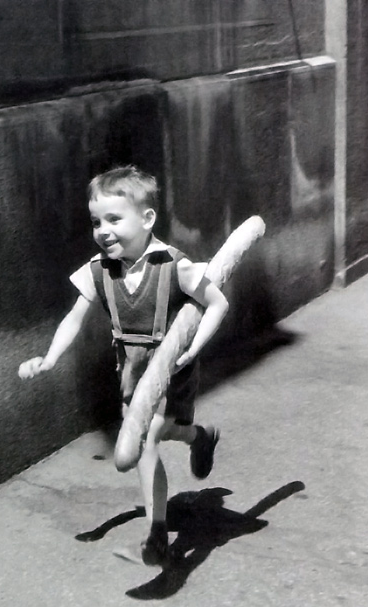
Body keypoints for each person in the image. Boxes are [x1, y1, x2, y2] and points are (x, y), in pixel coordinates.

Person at [19, 165, 229, 567]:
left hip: (172, 369)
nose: (103, 229)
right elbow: (74, 318)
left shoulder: (174, 266)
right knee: (162, 433)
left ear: (147, 219)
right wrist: (49, 357)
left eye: (115, 219)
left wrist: (192, 348)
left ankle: (156, 540)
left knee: (146, 442)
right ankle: (198, 437)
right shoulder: (99, 270)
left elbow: (218, 303)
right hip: (131, 371)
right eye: (97, 220)